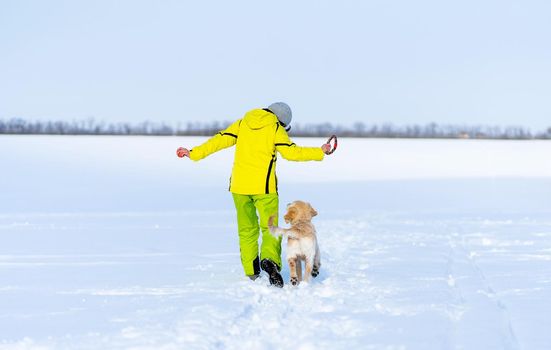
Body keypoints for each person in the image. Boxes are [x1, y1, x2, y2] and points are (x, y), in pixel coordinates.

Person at [176, 102, 332, 287]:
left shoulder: (242, 123)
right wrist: (320, 151)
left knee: (246, 230)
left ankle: (251, 271)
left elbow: (219, 140)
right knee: (270, 228)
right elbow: (292, 152)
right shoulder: (275, 127)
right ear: (282, 122)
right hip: (264, 189)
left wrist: (193, 153)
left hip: (239, 188)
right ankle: (270, 261)